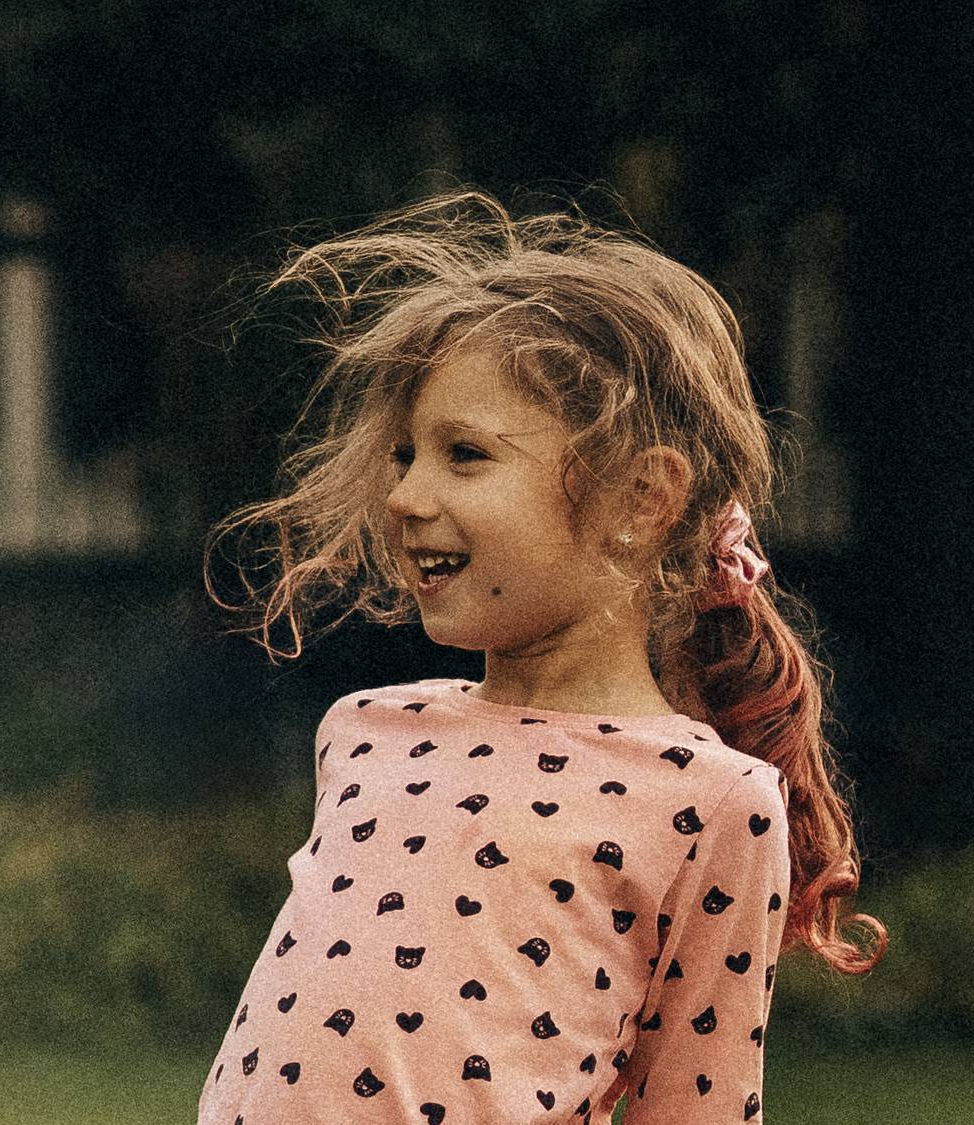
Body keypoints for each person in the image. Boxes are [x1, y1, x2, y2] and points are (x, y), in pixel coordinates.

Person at [196, 189, 887, 1124]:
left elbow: (699, 1106)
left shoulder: (712, 801)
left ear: (641, 498)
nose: (405, 495)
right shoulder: (364, 732)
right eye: (403, 455)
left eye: (464, 454)